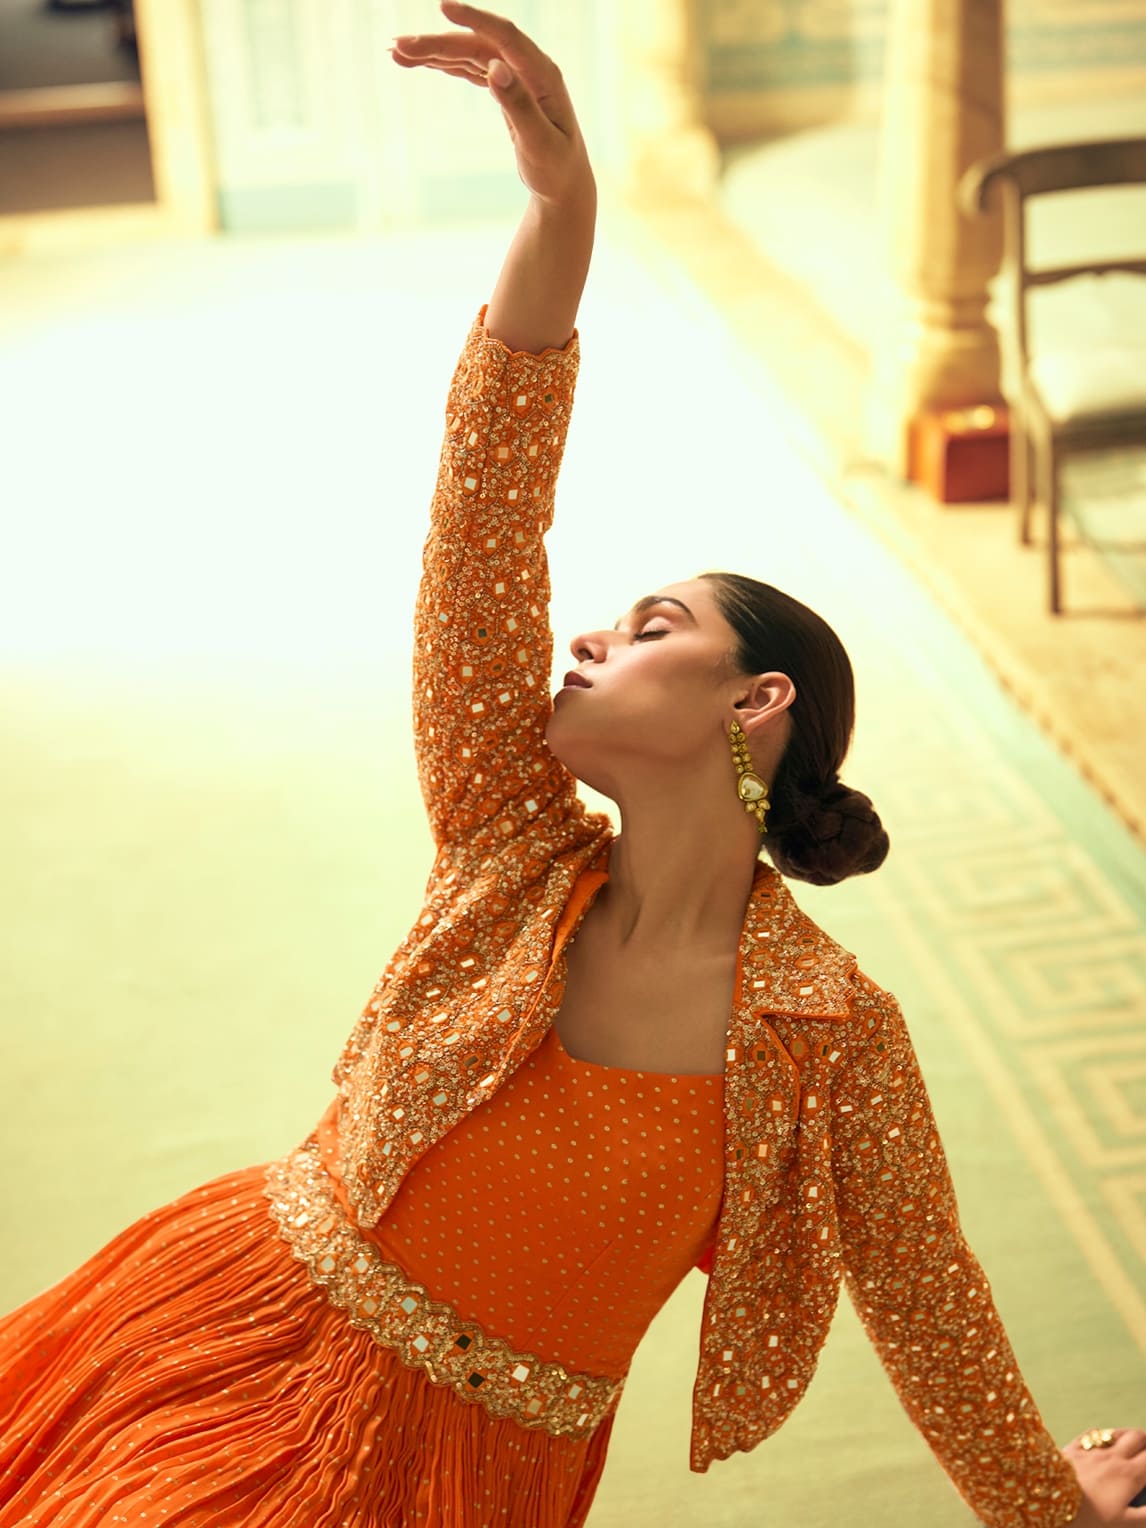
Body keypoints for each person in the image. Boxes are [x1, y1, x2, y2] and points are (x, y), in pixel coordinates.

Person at [0, 3, 1143, 1524]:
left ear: (756, 704)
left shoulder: (831, 1039)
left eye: (652, 626)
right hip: (229, 1336)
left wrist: (1049, 1509)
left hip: (481, 1476)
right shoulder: (506, 838)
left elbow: (930, 1309)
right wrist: (562, 215)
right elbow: (484, 518)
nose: (589, 637)